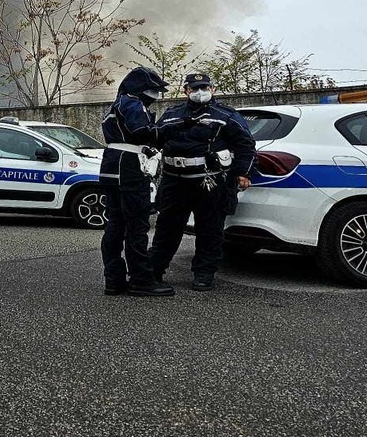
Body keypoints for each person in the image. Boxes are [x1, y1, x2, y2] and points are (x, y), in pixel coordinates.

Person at [147, 73, 256, 291]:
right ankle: (153, 271)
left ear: (212, 89)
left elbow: (246, 145)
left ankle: (204, 273)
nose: (200, 92)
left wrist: (243, 173)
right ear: (186, 90)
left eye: (205, 87)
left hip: (209, 181)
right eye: (195, 88)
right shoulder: (171, 114)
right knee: (167, 229)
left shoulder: (225, 114)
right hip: (174, 181)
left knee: (210, 229)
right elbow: (155, 138)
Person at [99, 67, 176, 297]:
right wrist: (167, 129)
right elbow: (143, 132)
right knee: (136, 226)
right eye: (152, 90)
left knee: (115, 225)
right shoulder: (132, 103)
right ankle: (141, 280)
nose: (155, 95)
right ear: (140, 88)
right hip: (130, 168)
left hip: (111, 167)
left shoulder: (115, 105)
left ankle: (113, 279)